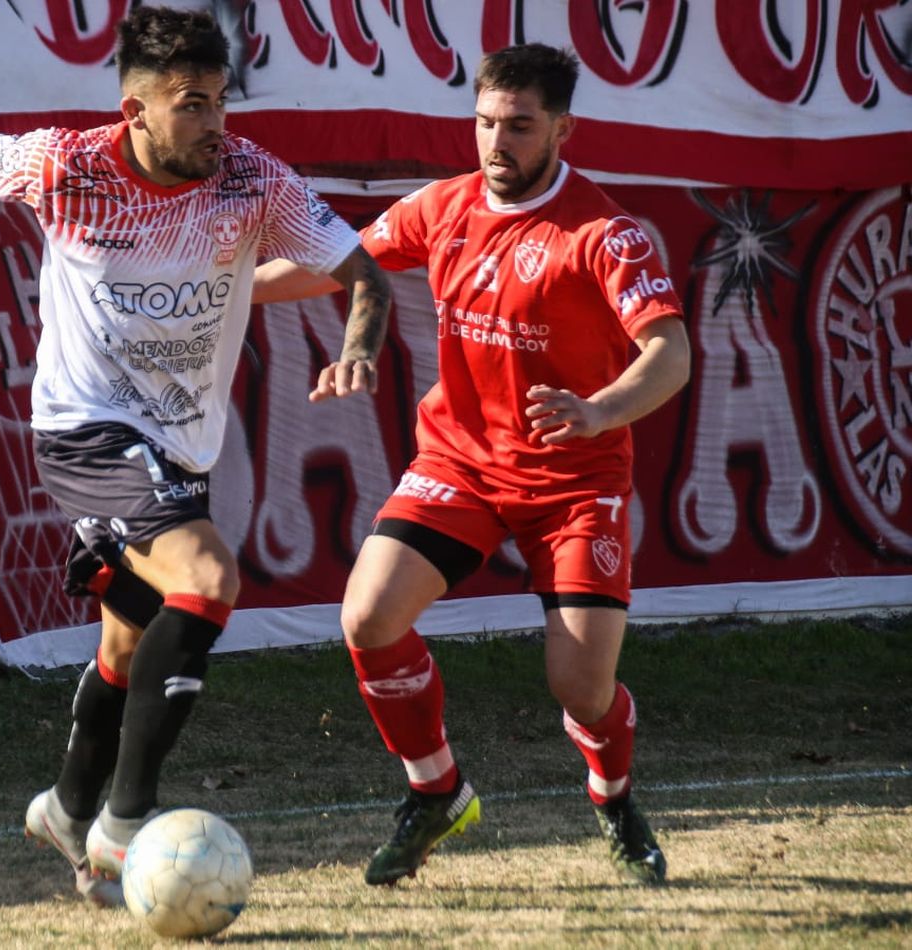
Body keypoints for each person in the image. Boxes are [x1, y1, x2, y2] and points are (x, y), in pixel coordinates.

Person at [0, 5, 391, 907]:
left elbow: (363, 274)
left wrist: (360, 347)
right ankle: (122, 828)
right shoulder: (67, 164)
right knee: (208, 579)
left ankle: (66, 808)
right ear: (135, 111)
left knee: (133, 635)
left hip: (181, 449)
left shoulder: (251, 179)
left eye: (221, 101)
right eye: (191, 104)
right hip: (84, 432)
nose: (214, 124)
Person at [252, 42, 689, 887]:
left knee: (581, 690)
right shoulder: (443, 206)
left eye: (520, 127)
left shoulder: (607, 234)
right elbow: (335, 266)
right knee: (368, 616)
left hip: (575, 481)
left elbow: (669, 356)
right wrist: (213, 287)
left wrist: (598, 410)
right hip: (462, 464)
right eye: (486, 122)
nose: (497, 142)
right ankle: (436, 792)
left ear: (563, 129)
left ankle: (614, 794)